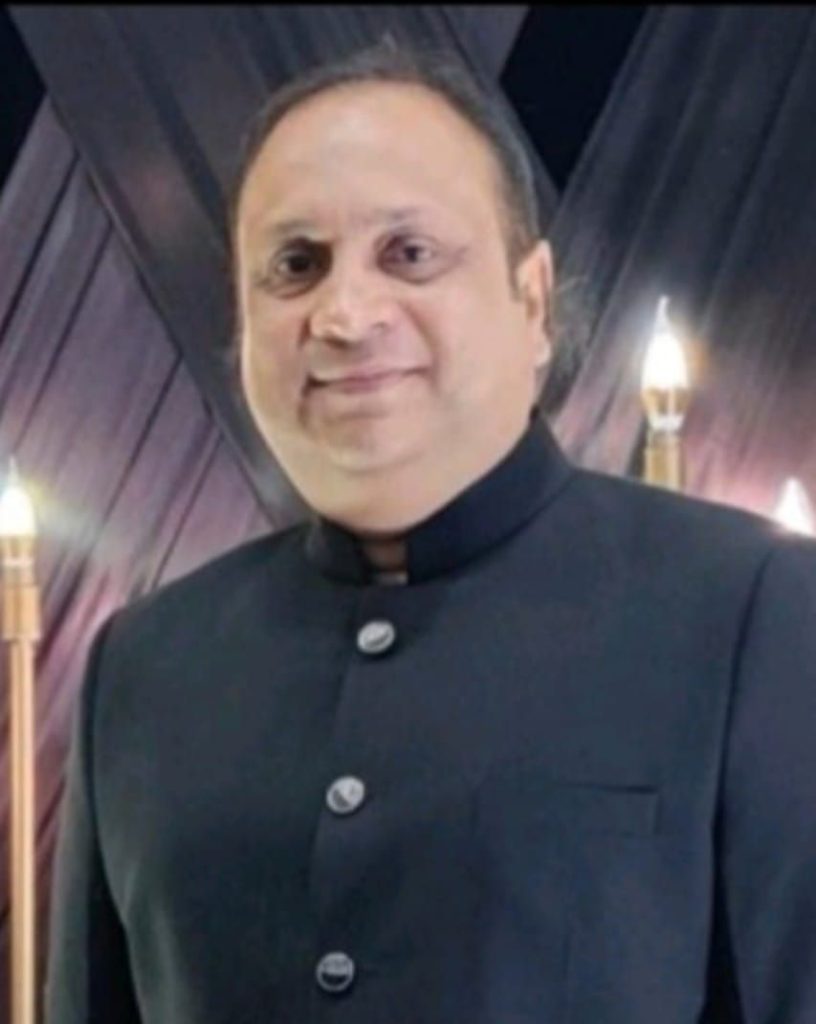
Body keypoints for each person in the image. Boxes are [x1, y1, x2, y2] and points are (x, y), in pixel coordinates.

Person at [44, 39, 816, 1024]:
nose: (346, 313)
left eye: (408, 254)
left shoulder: (749, 611)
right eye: (296, 266)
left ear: (532, 301)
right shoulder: (144, 667)